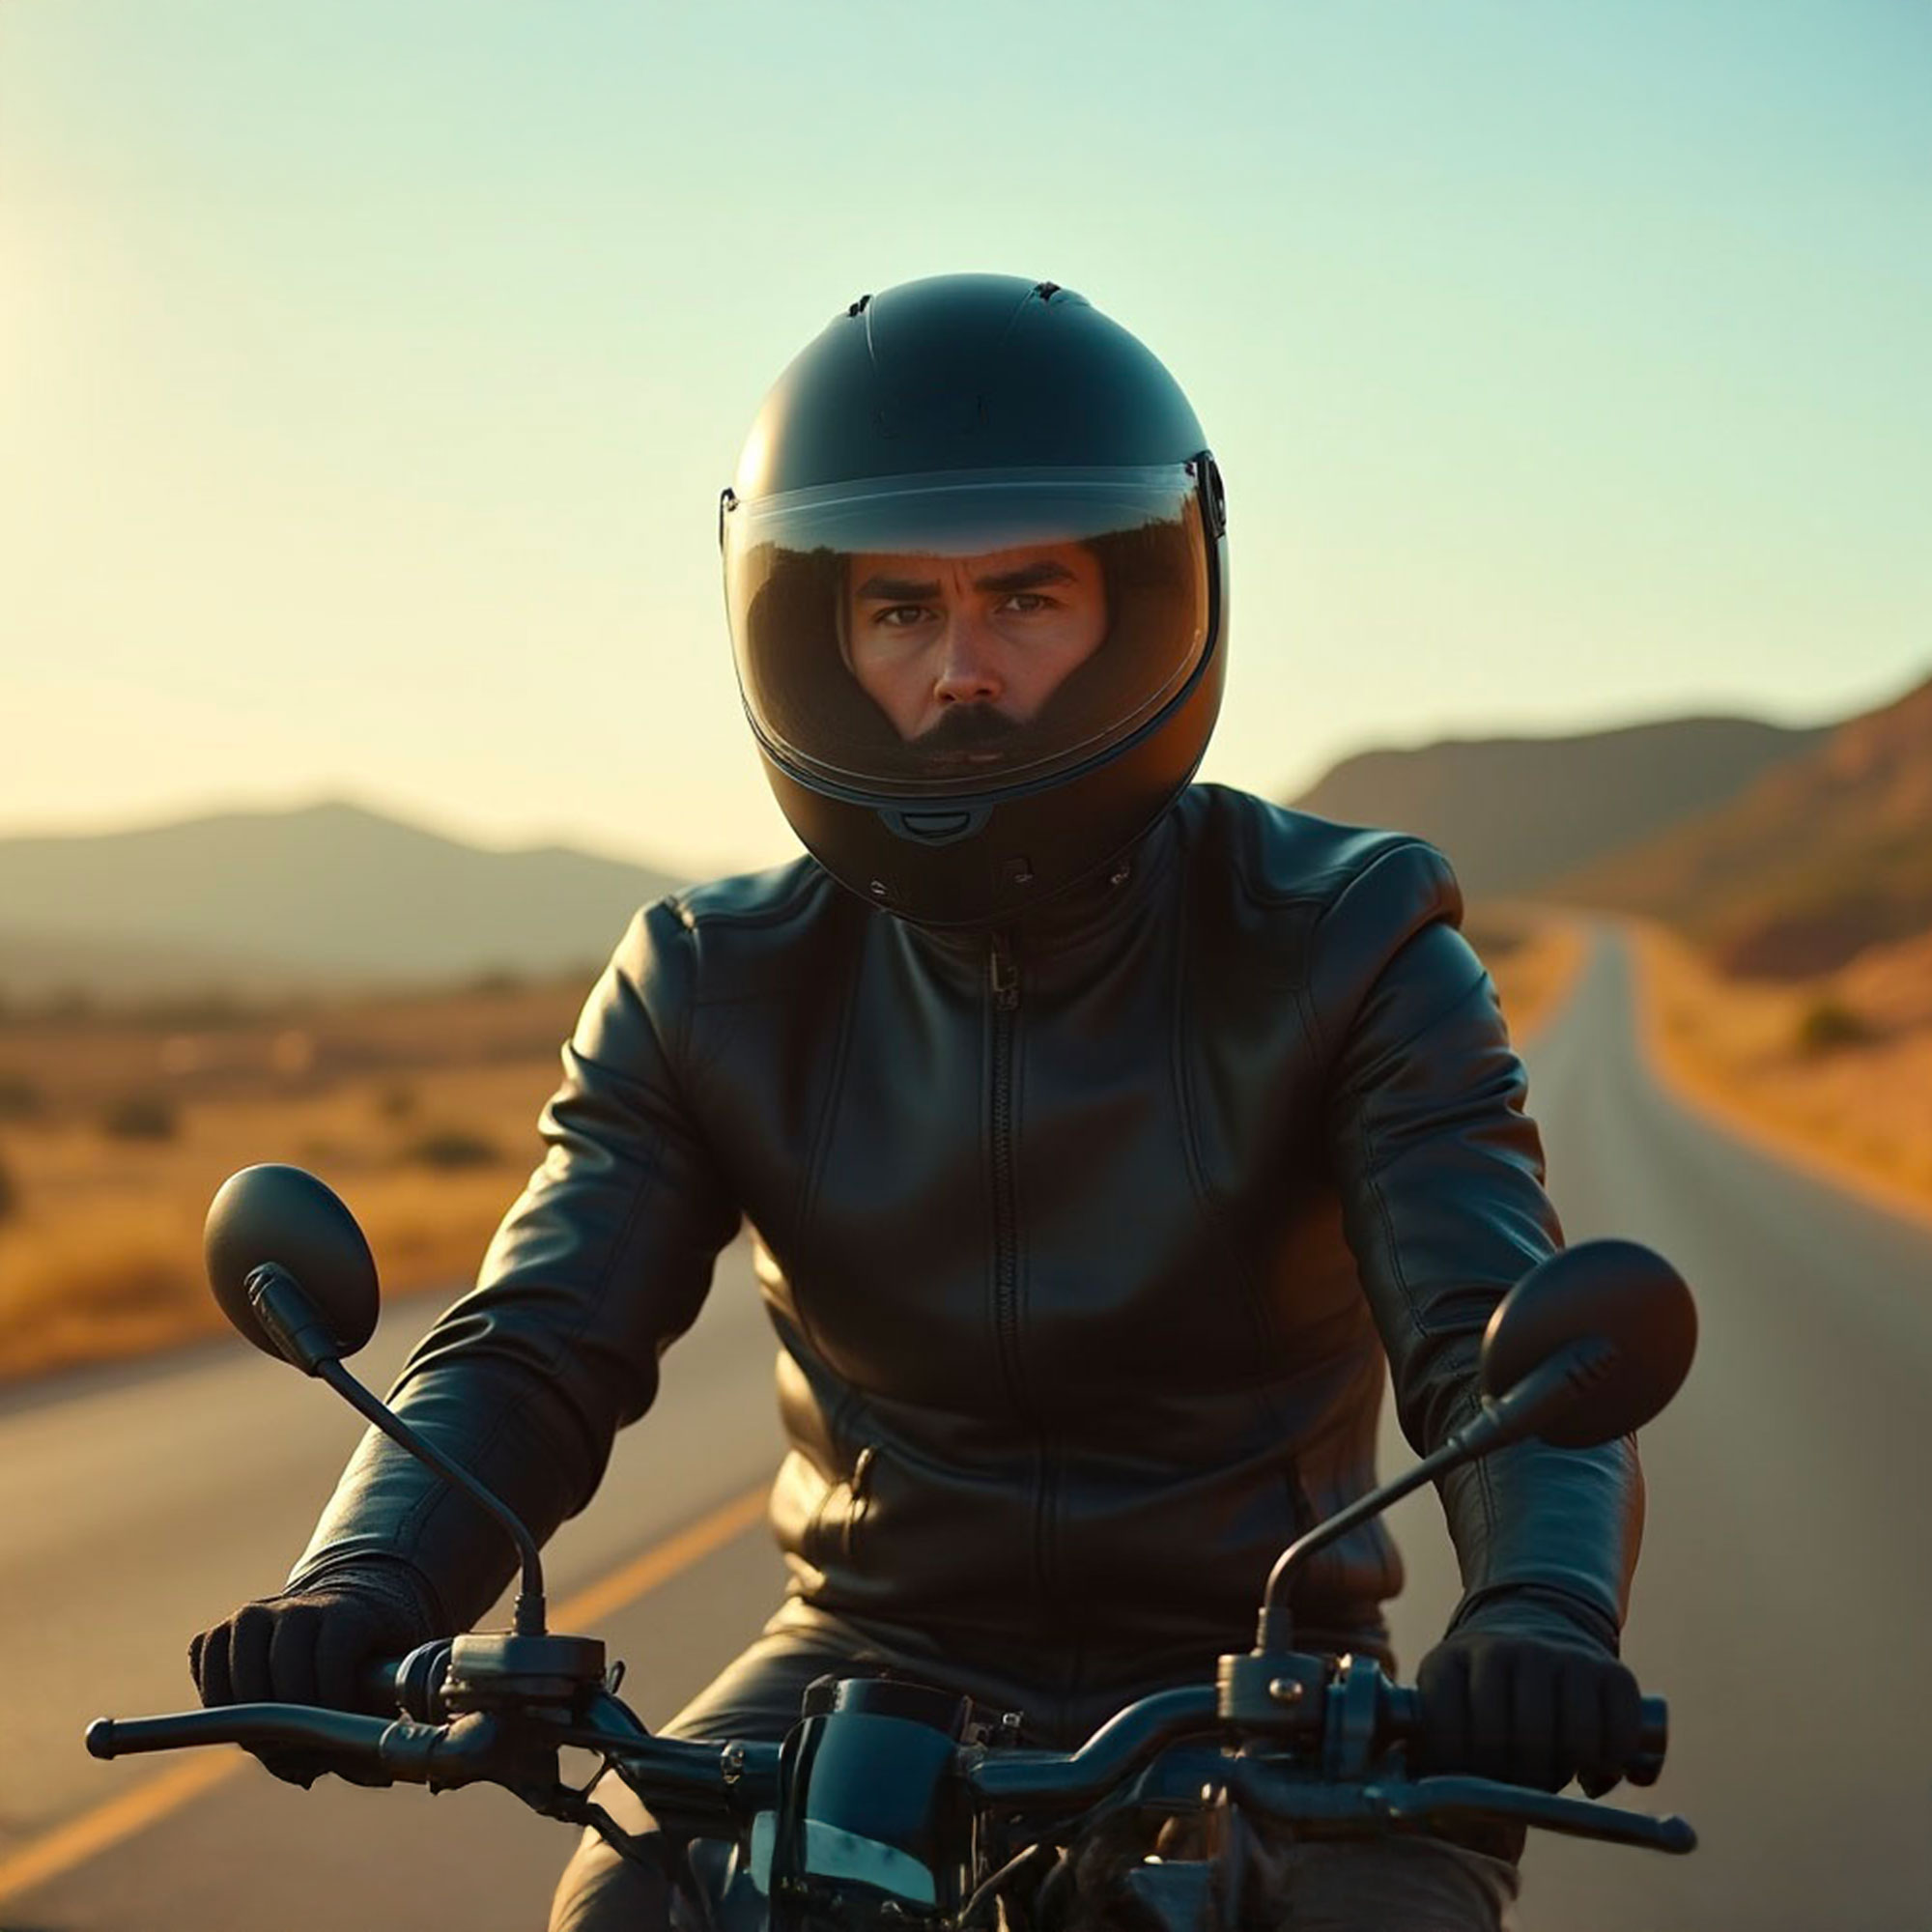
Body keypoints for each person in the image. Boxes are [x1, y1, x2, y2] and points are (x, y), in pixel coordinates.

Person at [191, 274, 1645, 1932]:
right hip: (864, 1655)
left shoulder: (1354, 942)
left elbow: (1491, 1342)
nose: (962, 672)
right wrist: (366, 1581)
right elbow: (538, 1341)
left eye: (1027, 598)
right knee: (624, 1910)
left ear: (1150, 605)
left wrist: (1536, 1613)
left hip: (1264, 1668)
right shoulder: (705, 983)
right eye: (900, 611)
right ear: (820, 641)